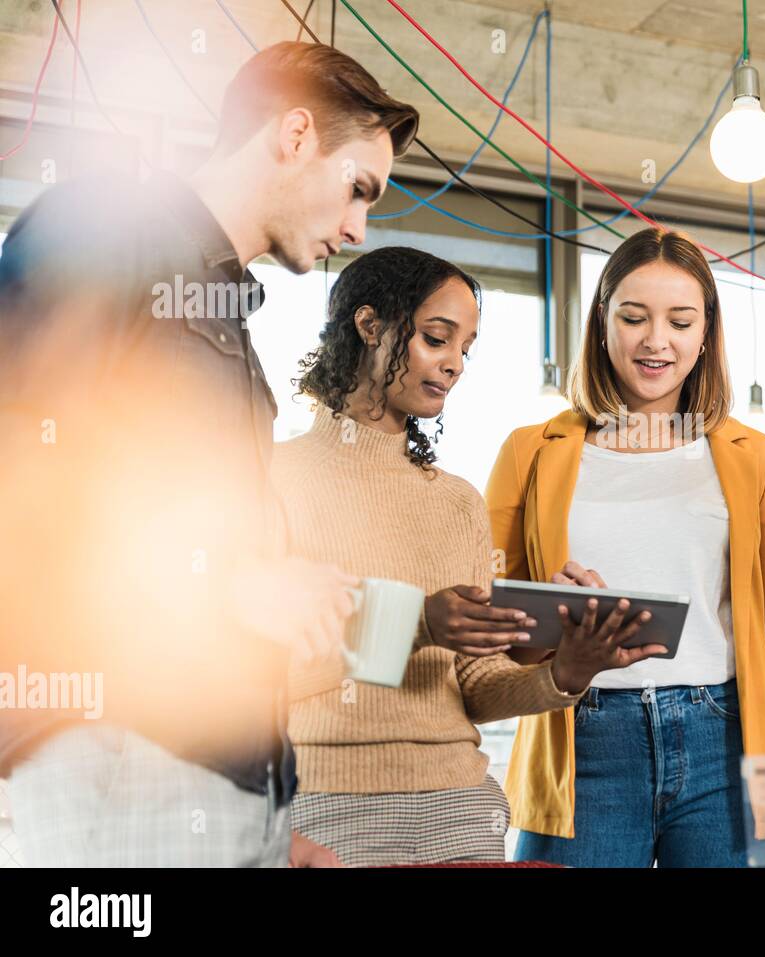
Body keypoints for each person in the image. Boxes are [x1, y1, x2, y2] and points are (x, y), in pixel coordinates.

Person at [0, 41, 419, 867]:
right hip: (109, 755)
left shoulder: (234, 337)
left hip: (216, 785)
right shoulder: (106, 229)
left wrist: (262, 814)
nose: (357, 228)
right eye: (358, 189)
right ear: (295, 134)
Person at [272, 246, 662, 864]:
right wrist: (418, 622)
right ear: (369, 325)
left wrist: (567, 672)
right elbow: (251, 673)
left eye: (465, 348)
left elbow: (474, 688)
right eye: (436, 338)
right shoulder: (269, 479)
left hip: (459, 808)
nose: (454, 364)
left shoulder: (456, 502)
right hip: (319, 804)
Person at [486, 227, 765, 867]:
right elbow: (499, 634)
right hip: (583, 743)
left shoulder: (751, 458)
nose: (657, 341)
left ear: (706, 333)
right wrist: (553, 619)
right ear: (602, 323)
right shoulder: (530, 452)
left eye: (681, 321)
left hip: (723, 746)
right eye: (634, 317)